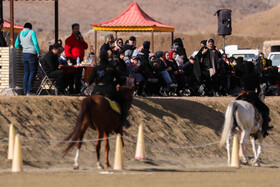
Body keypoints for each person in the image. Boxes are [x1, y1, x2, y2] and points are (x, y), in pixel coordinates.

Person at [89, 50, 131, 128]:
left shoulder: (96, 68)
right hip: (109, 90)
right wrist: (116, 84)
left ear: (100, 58)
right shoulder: (112, 68)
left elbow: (90, 81)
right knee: (123, 101)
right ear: (107, 58)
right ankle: (123, 120)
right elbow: (119, 79)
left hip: (96, 90)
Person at [236, 61, 273, 138]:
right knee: (265, 109)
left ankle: (233, 124)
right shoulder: (255, 76)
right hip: (252, 95)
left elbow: (240, 86)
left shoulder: (243, 76)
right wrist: (256, 94)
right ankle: (265, 129)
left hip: (243, 95)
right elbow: (259, 89)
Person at [15, 22, 40, 95]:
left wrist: (23, 46)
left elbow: (16, 44)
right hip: (32, 54)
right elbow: (35, 43)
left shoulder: (20, 33)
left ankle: (25, 90)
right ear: (30, 28)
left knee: (26, 73)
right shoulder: (32, 32)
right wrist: (38, 52)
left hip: (24, 54)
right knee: (32, 72)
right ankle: (29, 91)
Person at [65, 23, 88, 94]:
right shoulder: (69, 39)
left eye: (78, 28)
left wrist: (82, 40)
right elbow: (67, 50)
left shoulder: (80, 39)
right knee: (72, 76)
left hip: (80, 60)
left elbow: (86, 46)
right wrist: (70, 58)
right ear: (73, 29)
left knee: (79, 76)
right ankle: (71, 90)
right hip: (73, 60)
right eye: (76, 28)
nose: (78, 30)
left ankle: (77, 90)